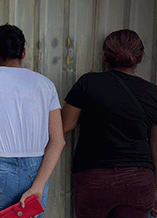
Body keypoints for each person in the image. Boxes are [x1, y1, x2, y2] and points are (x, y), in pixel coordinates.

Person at [0, 24, 66, 218]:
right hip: (36, 172)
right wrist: (37, 186)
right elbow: (58, 140)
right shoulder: (45, 84)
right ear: (24, 52)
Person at [62, 29, 157, 218]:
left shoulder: (88, 82)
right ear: (140, 57)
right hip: (138, 179)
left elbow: (65, 125)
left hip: (94, 179)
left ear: (105, 56)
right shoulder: (153, 93)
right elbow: (156, 146)